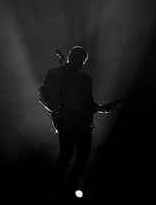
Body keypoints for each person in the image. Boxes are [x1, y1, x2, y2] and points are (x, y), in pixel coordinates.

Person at [39, 46, 121, 198]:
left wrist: (102, 108)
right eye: (79, 59)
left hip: (82, 124)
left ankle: (64, 190)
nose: (80, 63)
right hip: (69, 122)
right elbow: (44, 94)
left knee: (78, 157)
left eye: (81, 60)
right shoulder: (57, 73)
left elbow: (88, 104)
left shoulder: (85, 79)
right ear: (71, 58)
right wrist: (56, 112)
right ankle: (53, 190)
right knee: (69, 155)